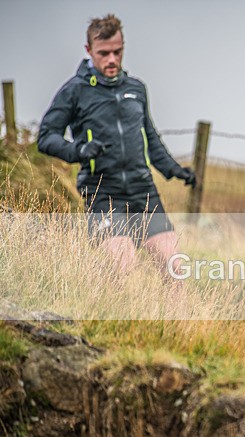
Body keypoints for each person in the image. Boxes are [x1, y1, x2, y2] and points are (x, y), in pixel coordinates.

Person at [37, 14, 195, 275]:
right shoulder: (75, 91)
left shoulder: (136, 89)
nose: (112, 59)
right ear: (89, 50)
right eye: (104, 53)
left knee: (174, 268)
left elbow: (150, 137)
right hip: (102, 192)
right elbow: (46, 137)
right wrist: (78, 151)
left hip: (143, 189)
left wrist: (173, 169)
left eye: (117, 52)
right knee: (123, 264)